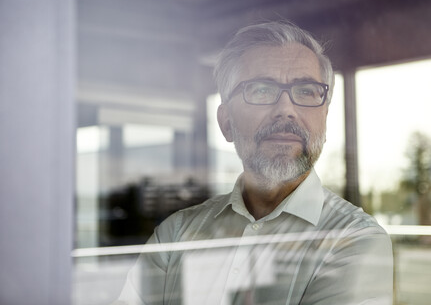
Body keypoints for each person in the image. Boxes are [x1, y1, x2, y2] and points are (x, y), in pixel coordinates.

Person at [117, 21, 393, 305]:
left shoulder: (355, 239)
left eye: (306, 91)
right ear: (226, 123)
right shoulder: (174, 235)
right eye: (261, 90)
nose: (286, 110)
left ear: (324, 117)